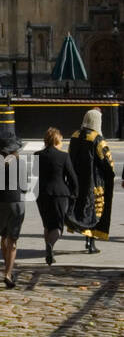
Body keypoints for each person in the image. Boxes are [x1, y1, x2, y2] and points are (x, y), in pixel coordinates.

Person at [67, 108, 116, 253]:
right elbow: (107, 162)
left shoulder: (75, 135)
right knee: (94, 212)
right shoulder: (97, 139)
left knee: (82, 209)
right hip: (94, 182)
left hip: (76, 182)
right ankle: (91, 243)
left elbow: (69, 156)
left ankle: (85, 238)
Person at [0, 131, 29, 288]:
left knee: (4, 235)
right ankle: (8, 273)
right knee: (13, 239)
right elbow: (24, 186)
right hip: (15, 200)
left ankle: (7, 267)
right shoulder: (19, 163)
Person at [37, 128, 78, 265]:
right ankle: (50, 245)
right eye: (61, 140)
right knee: (58, 225)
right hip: (60, 193)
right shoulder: (63, 156)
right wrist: (75, 192)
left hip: (42, 193)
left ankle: (48, 249)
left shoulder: (37, 155)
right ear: (57, 140)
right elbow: (72, 177)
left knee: (47, 224)